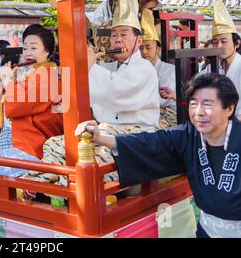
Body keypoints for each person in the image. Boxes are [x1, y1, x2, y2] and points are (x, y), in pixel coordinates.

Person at [76, 73, 241, 238]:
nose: (198, 112)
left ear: (229, 108)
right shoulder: (188, 136)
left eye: (207, 104)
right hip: (208, 231)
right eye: (193, 103)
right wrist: (100, 138)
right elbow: (152, 143)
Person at [42, 0, 160, 183]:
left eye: (124, 34)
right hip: (108, 131)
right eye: (114, 35)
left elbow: (114, 93)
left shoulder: (144, 68)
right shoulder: (110, 66)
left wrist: (90, 65)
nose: (117, 40)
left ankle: (60, 191)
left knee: (87, 153)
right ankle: (35, 184)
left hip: (138, 134)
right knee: (56, 143)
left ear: (138, 40)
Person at [0, 24, 63, 193]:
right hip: (10, 141)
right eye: (25, 48)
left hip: (29, 144)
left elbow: (16, 107)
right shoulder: (28, 73)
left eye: (34, 47)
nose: (28, 53)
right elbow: (5, 101)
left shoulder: (49, 75)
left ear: (47, 52)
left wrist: (8, 80)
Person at [139, 9, 177, 129]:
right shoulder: (136, 70)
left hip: (167, 113)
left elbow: (163, 100)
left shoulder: (169, 70)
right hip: (143, 113)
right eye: (141, 48)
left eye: (148, 47)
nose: (144, 52)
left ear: (158, 49)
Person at [208, 0, 241, 121]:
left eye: (224, 41)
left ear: (237, 43)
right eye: (215, 42)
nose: (219, 46)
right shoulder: (212, 67)